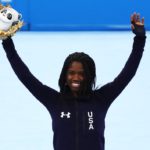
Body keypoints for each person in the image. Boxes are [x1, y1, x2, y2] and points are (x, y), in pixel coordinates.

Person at [1, 13, 146, 150]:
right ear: (65, 75)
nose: (76, 78)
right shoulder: (54, 101)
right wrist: (7, 41)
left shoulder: (101, 99)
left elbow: (128, 73)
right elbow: (25, 76)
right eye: (71, 73)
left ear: (89, 76)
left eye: (81, 74)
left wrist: (139, 39)